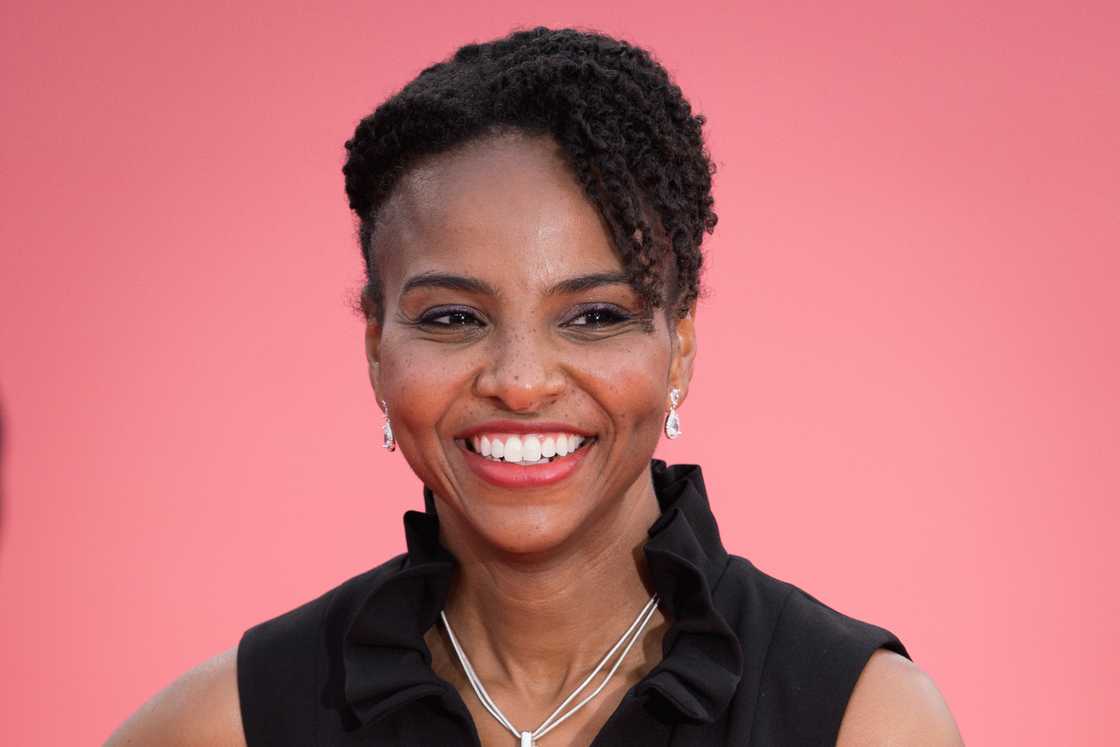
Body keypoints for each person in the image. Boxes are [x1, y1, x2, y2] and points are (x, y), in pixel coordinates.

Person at [107, 26, 963, 746]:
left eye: (592, 317)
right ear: (376, 347)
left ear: (682, 345)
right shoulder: (233, 724)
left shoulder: (863, 720)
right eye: (452, 318)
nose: (520, 384)